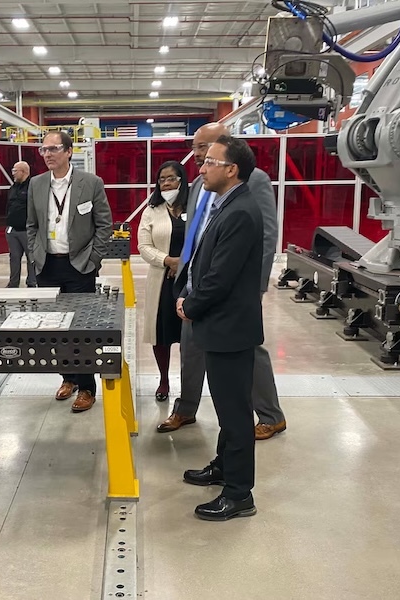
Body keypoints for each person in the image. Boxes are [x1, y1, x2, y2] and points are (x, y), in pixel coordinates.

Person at [158, 123, 286, 439]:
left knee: (246, 350)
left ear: (225, 147)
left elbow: (267, 235)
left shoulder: (254, 181)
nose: (197, 154)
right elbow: (196, 233)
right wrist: (185, 273)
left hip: (235, 286)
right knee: (190, 346)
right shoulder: (202, 183)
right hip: (196, 279)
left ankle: (271, 414)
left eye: (204, 147)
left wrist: (255, 286)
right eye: (196, 147)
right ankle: (186, 408)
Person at [176, 135, 264, 521]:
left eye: (210, 161)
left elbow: (219, 278)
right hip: (222, 325)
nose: (201, 166)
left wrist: (190, 305)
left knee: (235, 413)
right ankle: (223, 466)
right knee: (229, 407)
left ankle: (239, 492)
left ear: (232, 169)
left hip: (229, 327)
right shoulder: (227, 204)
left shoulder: (240, 211)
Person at [26, 131, 112, 412]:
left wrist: (93, 258)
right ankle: (68, 378)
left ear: (69, 151)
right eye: (44, 150)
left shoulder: (91, 183)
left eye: (54, 149)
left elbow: (104, 225)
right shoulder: (37, 184)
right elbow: (31, 225)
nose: (48, 154)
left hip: (79, 266)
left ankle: (87, 386)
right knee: (56, 327)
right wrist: (35, 253)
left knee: (81, 329)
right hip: (47, 265)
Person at [137, 161, 188, 403]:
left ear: (182, 180)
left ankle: (189, 382)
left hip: (190, 281)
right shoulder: (152, 210)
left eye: (172, 178)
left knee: (189, 335)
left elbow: (205, 239)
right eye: (162, 179)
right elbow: (143, 247)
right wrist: (168, 260)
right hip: (162, 282)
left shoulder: (194, 207)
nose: (166, 183)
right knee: (162, 334)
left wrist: (184, 263)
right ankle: (164, 380)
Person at [6, 161, 36, 288]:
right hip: (12, 230)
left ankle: (32, 282)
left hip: (27, 230)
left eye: (15, 171)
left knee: (31, 258)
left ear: (24, 172)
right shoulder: (13, 187)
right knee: (14, 258)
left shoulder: (32, 187)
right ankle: (13, 283)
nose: (13, 173)